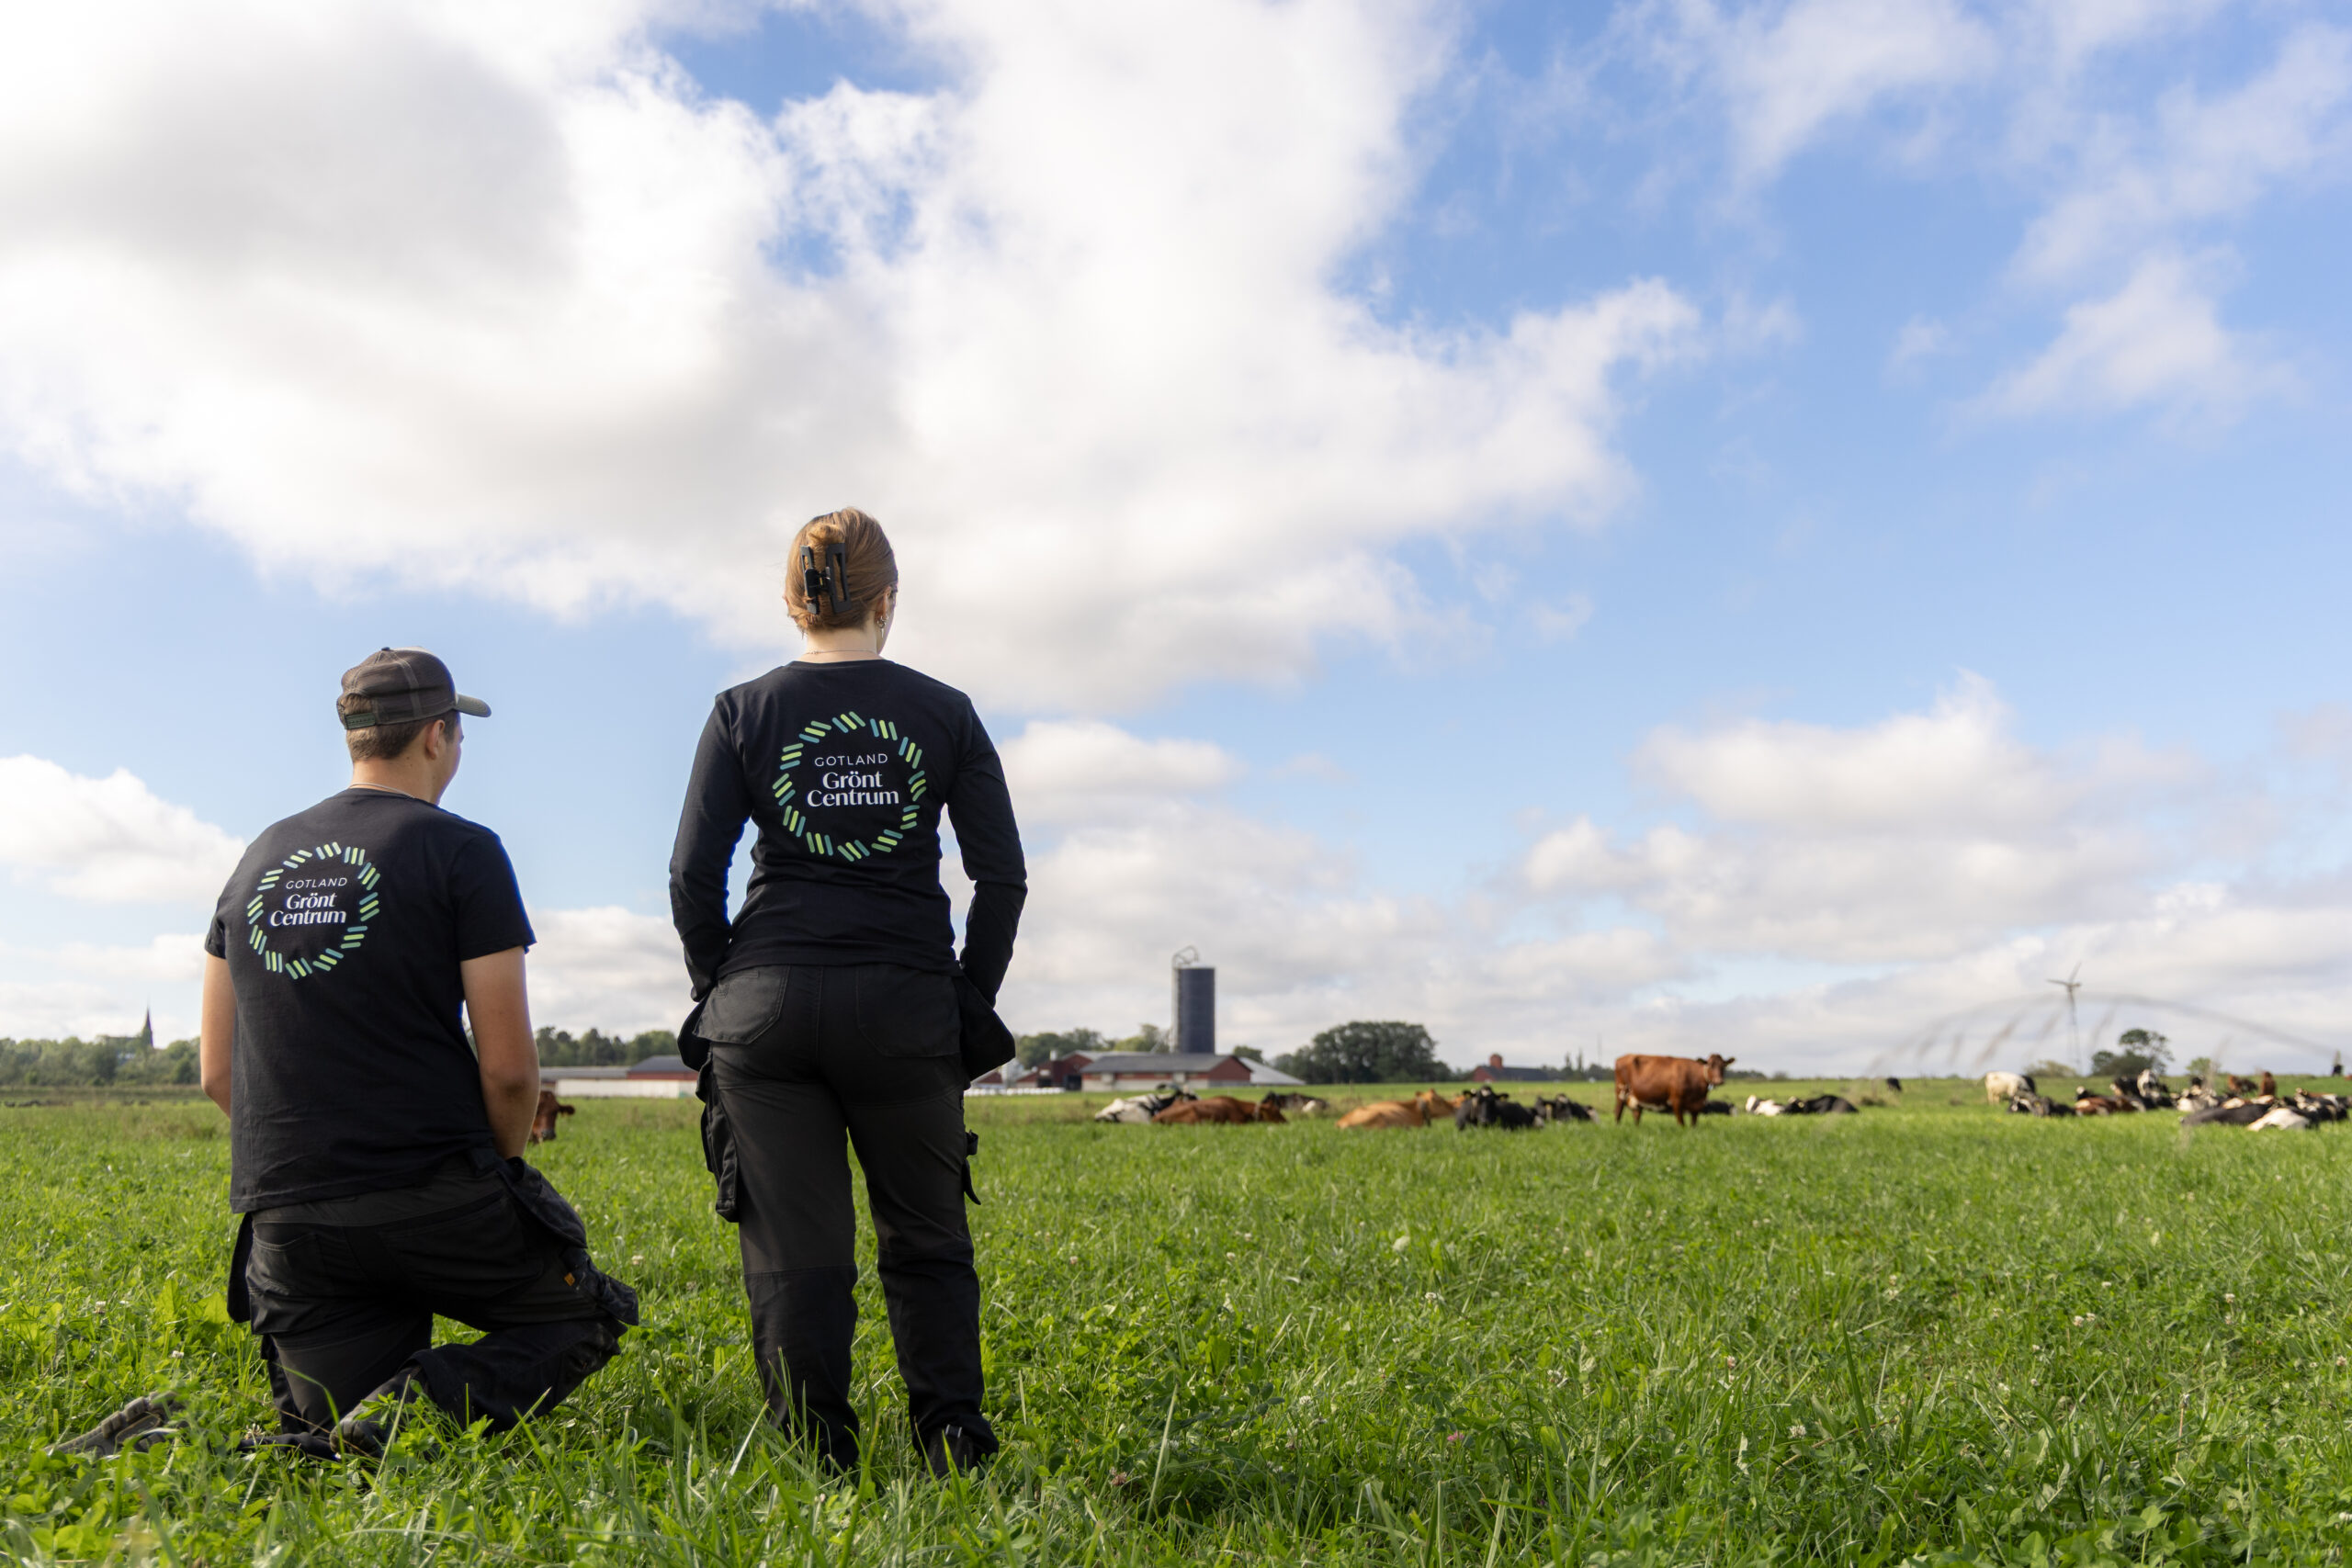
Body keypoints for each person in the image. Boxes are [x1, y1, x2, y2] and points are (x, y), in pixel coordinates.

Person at [194, 647, 634, 1456]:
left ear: (355, 737)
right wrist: (495, 1168)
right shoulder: (461, 850)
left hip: (291, 1227)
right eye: (459, 734)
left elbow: (218, 1072)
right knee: (588, 1312)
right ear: (437, 736)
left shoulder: (255, 860)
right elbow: (507, 1066)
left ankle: (164, 1440)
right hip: (438, 1200)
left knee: (322, 1440)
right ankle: (421, 1398)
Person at [670, 508, 1025, 1476]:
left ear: (793, 603)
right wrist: (964, 1003)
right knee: (926, 1239)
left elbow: (690, 878)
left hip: (766, 1008)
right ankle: (953, 1447)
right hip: (906, 1005)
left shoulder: (742, 709)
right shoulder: (944, 711)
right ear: (887, 601)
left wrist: (726, 991)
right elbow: (1002, 878)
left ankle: (816, 1468)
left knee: (795, 1252)